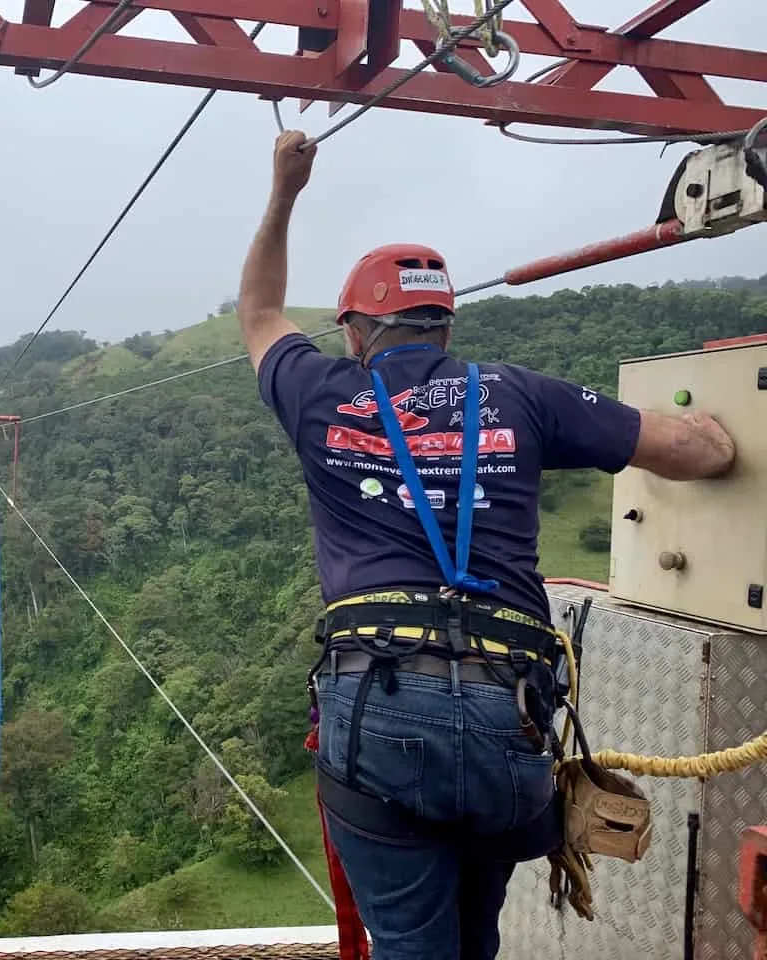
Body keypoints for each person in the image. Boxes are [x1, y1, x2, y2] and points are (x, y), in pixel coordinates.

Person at [237, 130, 737, 960]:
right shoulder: (519, 394)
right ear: (442, 327)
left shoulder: (320, 390)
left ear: (357, 332)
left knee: (410, 946)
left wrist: (286, 189)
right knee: (477, 943)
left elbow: (258, 312)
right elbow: (700, 452)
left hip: (381, 704)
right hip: (512, 715)